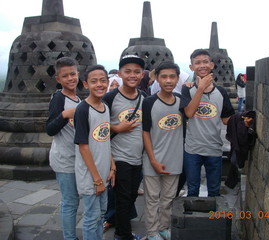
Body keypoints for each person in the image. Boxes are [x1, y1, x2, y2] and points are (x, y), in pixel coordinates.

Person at [102, 55, 146, 240]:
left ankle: (121, 230)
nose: (132, 75)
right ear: (120, 74)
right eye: (127, 71)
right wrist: (117, 128)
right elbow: (97, 124)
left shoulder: (144, 98)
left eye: (137, 72)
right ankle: (124, 235)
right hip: (119, 156)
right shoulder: (110, 97)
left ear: (142, 75)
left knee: (132, 196)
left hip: (138, 156)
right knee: (123, 197)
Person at [142, 61, 187, 240]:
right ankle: (152, 232)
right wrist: (152, 159)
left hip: (175, 158)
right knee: (152, 199)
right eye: (164, 77)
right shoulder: (148, 102)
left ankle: (163, 227)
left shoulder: (182, 102)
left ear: (177, 79)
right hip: (152, 158)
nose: (168, 80)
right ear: (157, 79)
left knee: (168, 199)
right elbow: (145, 132)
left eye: (172, 76)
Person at [182, 49, 234, 197]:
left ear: (211, 65)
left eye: (205, 62)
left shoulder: (221, 92)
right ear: (191, 67)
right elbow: (189, 113)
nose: (202, 65)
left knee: (214, 190)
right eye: (197, 63)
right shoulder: (187, 89)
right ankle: (191, 218)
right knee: (192, 189)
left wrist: (243, 122)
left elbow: (226, 119)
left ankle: (213, 218)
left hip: (214, 148)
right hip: (192, 149)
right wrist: (201, 88)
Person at [74, 64, 116, 240]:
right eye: (94, 81)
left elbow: (105, 139)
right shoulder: (83, 110)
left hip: (104, 173)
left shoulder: (105, 106)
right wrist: (96, 179)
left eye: (103, 81)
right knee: (91, 217)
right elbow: (83, 147)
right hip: (91, 176)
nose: (99, 85)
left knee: (102, 213)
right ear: (85, 84)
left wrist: (112, 166)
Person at [46, 57, 81, 240]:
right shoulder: (59, 98)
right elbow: (50, 128)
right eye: (65, 76)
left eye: (73, 74)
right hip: (64, 158)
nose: (70, 78)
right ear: (58, 79)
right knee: (70, 201)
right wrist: (65, 115)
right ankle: (69, 237)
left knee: (76, 200)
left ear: (78, 74)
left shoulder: (78, 98)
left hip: (78, 157)